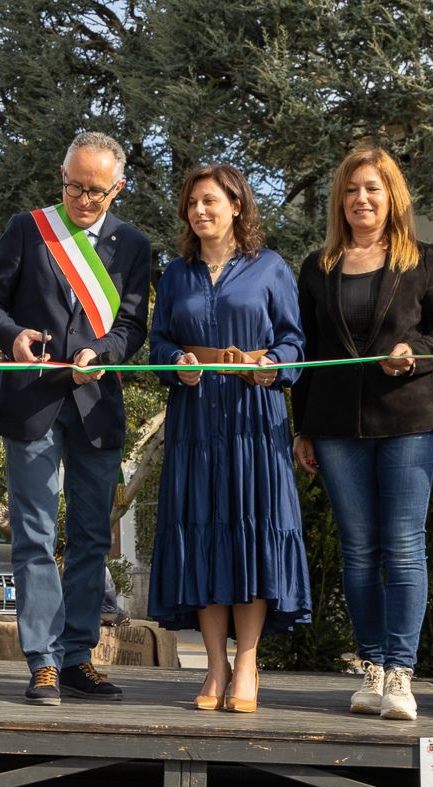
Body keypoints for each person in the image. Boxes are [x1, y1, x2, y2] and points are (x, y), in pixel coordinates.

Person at [0, 131, 151, 706]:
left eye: (95, 191)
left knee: (93, 536)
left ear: (117, 188)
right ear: (62, 175)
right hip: (33, 400)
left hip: (96, 402)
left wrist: (107, 355)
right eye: (72, 185)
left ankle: (77, 657)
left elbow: (132, 324)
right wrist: (12, 333)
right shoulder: (29, 229)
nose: (81, 199)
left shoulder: (133, 245)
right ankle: (42, 661)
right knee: (35, 534)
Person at [290, 148, 433, 719]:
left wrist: (418, 354)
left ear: (392, 197)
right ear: (340, 199)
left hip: (408, 419)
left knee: (404, 547)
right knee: (359, 551)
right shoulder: (318, 266)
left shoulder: (423, 260)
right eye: (353, 189)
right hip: (336, 427)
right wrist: (303, 427)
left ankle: (402, 676)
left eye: (374, 189)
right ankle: (372, 670)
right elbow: (310, 352)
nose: (362, 199)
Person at [148, 163, 309, 714]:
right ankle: (214, 665)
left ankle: (247, 664)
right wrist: (177, 364)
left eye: (211, 201)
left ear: (237, 205)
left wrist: (276, 366)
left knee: (252, 535)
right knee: (204, 536)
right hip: (195, 424)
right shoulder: (174, 275)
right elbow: (159, 345)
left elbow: (293, 342)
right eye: (192, 203)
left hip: (253, 424)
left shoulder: (269, 268)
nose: (200, 211)